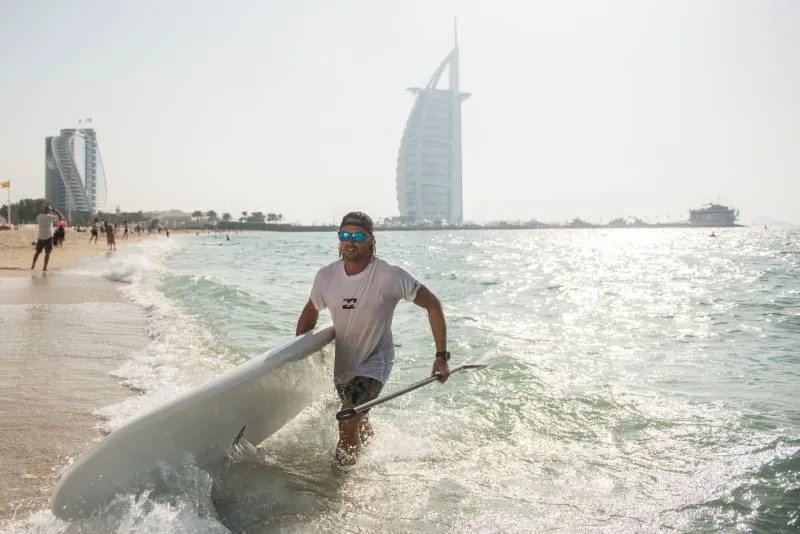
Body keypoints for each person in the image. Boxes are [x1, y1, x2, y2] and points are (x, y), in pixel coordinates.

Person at [295, 211, 451, 467]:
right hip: (343, 364)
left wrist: (441, 357)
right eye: (344, 235)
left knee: (347, 418)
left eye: (357, 236)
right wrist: (296, 358)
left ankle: (340, 484)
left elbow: (433, 305)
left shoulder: (389, 275)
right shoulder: (326, 276)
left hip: (375, 363)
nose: (350, 241)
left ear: (370, 240)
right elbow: (310, 312)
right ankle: (373, 461)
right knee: (358, 419)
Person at [31, 204, 63, 271]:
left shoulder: (39, 216)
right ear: (49, 210)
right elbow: (61, 217)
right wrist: (55, 211)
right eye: (50, 209)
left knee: (37, 252)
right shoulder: (50, 217)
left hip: (40, 237)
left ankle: (33, 265)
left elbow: (37, 220)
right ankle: (44, 267)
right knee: (47, 253)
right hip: (48, 237)